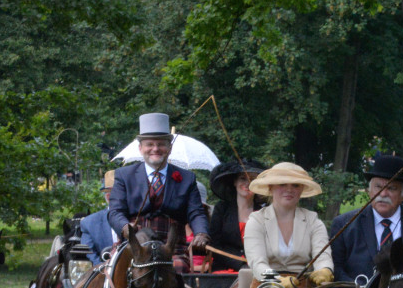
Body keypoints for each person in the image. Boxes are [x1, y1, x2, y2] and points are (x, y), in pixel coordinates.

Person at [106, 113, 209, 271]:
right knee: (114, 271)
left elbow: (196, 213)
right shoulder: (124, 176)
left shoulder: (187, 178)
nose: (155, 149)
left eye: (161, 144)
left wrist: (201, 233)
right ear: (140, 148)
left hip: (172, 248)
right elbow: (115, 212)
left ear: (169, 147)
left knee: (177, 269)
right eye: (150, 144)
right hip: (134, 245)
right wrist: (125, 226)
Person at [330, 154, 403, 283]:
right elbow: (337, 269)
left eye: (392, 188)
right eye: (378, 187)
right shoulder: (344, 224)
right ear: (369, 191)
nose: (383, 194)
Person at [244, 162, 334, 288]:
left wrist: (325, 270)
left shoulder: (314, 221)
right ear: (271, 187)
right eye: (282, 184)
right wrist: (277, 280)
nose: (289, 189)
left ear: (302, 189)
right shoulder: (256, 221)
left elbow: (323, 256)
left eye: (295, 185)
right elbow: (257, 264)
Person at [207, 158, 266, 271]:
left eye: (252, 179)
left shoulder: (264, 213)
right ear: (235, 182)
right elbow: (215, 245)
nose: (247, 183)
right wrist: (240, 264)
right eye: (242, 178)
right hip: (224, 270)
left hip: (256, 269)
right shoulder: (222, 209)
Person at [79, 170, 118, 265]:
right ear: (108, 197)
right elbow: (90, 256)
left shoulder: (140, 218)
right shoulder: (90, 223)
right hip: (104, 275)